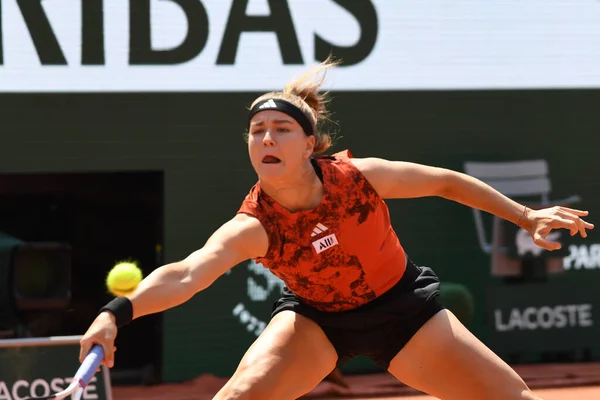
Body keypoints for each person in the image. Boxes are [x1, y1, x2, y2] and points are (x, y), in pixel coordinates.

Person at [79, 58, 593, 400]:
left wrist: (525, 216)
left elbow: (445, 183)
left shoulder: (357, 177)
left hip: (403, 311)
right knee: (238, 396)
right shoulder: (254, 224)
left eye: (281, 129)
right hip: (316, 320)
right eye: (257, 132)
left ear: (309, 145)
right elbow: (188, 273)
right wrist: (113, 313)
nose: (266, 139)